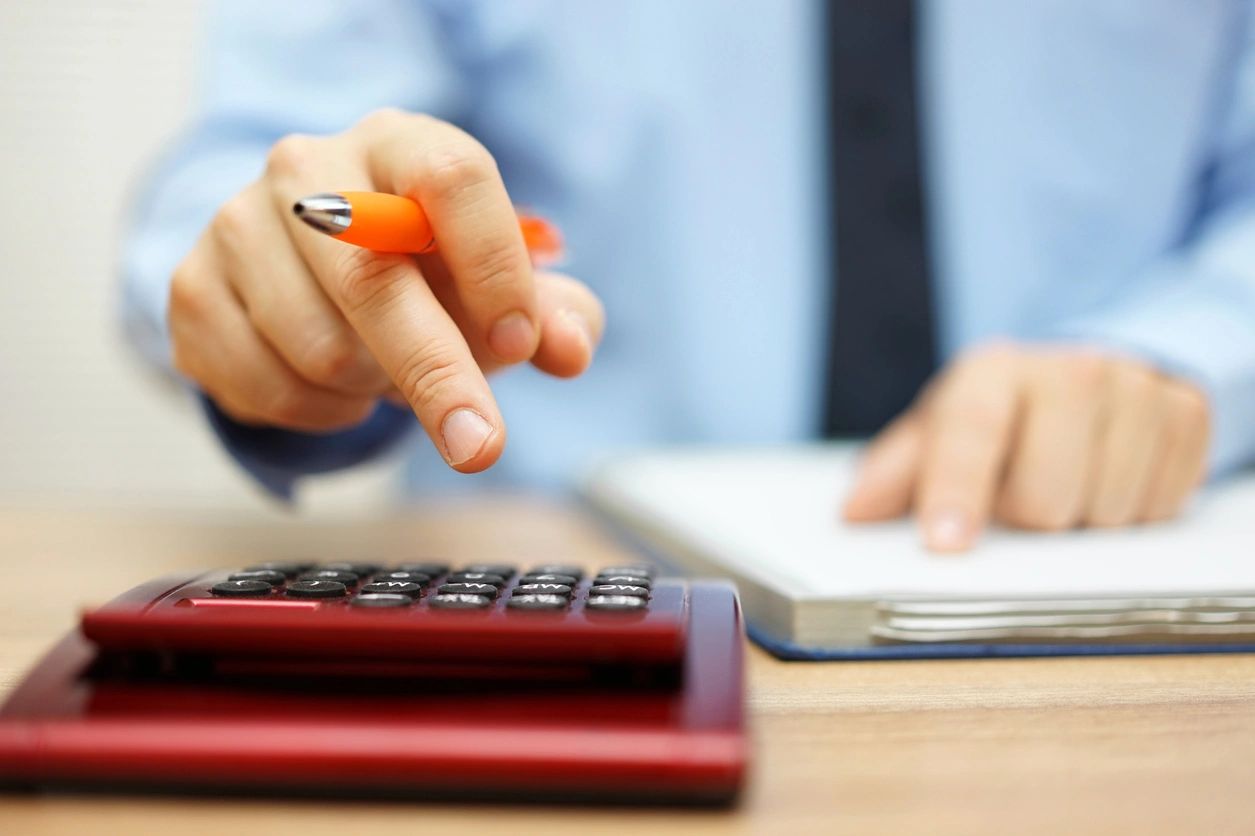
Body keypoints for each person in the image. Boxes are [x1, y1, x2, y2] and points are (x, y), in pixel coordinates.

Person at [123, 1, 1255, 552]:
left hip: (1090, 571)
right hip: (563, 597)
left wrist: (1187, 355)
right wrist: (274, 281)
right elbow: (258, 173)